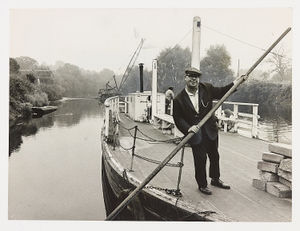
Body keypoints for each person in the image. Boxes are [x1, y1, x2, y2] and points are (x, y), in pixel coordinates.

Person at [173, 67, 237, 195]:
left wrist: (236, 83)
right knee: (200, 159)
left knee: (214, 156)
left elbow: (222, 92)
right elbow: (178, 118)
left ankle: (215, 179)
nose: (194, 79)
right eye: (191, 76)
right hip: (196, 134)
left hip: (210, 130)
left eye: (196, 76)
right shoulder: (179, 99)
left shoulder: (206, 88)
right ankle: (202, 184)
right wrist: (188, 128)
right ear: (185, 78)